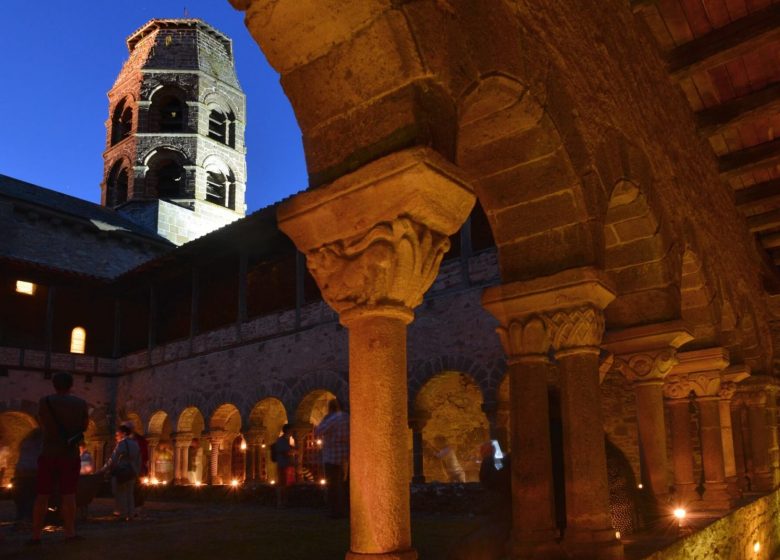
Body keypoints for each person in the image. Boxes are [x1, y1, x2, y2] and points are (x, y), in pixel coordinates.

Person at [30, 371, 89, 544]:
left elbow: (42, 424)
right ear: (71, 386)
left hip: (48, 452)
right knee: (69, 494)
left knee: (42, 494)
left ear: (54, 385)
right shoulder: (80, 404)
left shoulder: (45, 402)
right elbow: (84, 426)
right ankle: (69, 533)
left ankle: (36, 535)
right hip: (69, 454)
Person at [313, 400, 349, 518]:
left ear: (330, 408)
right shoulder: (347, 417)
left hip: (332, 456)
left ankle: (335, 512)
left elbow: (318, 431)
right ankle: (345, 510)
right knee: (344, 484)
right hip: (346, 456)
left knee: (333, 486)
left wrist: (324, 419)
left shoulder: (331, 418)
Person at [97, 424, 141, 521]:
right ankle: (131, 514)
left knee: (120, 493)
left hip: (122, 471)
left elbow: (112, 459)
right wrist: (137, 472)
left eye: (118, 434)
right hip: (132, 472)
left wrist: (102, 470)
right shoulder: (135, 444)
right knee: (130, 493)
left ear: (123, 433)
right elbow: (138, 459)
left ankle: (123, 513)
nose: (116, 436)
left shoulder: (122, 444)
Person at [273, 424, 296, 507]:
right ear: (287, 431)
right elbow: (283, 452)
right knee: (282, 484)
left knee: (286, 484)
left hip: (286, 465)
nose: (292, 432)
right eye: (291, 430)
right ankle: (280, 502)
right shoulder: (281, 440)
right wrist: (292, 452)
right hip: (283, 464)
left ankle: (284, 502)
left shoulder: (285, 440)